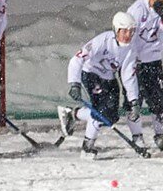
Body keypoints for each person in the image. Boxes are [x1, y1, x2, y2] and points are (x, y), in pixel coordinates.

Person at [57, 12, 140, 155]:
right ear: (116, 30)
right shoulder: (102, 41)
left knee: (111, 116)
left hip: (109, 78)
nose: (128, 35)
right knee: (101, 111)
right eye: (124, 31)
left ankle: (73, 114)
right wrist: (75, 83)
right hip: (91, 74)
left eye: (131, 31)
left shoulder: (131, 48)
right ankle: (87, 147)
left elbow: (128, 75)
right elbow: (77, 59)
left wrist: (134, 100)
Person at [125, 0, 163, 153]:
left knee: (158, 100)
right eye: (157, 0)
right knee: (134, 102)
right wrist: (131, 61)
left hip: (154, 61)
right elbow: (129, 38)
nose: (160, 3)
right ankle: (137, 136)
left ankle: (159, 134)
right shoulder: (137, 10)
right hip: (136, 62)